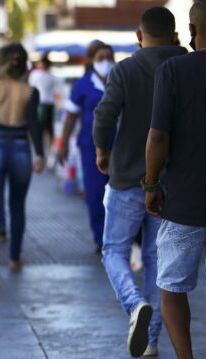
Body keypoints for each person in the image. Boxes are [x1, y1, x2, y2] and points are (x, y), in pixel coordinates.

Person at [144, 0, 206, 359]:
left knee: (171, 285)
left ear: (193, 28)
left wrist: (151, 184)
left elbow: (158, 136)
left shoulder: (175, 71)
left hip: (184, 202)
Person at [93, 6, 186, 359]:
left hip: (127, 177)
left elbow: (105, 114)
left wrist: (103, 150)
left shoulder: (126, 69)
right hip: (171, 180)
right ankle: (151, 339)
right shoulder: (186, 67)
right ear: (176, 35)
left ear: (138, 36)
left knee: (114, 251)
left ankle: (134, 306)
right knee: (154, 257)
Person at [0, 43, 45, 278]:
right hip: (20, 149)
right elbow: (34, 126)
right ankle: (14, 257)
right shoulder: (30, 92)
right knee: (17, 206)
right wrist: (40, 155)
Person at [60, 42, 115, 253]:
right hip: (90, 146)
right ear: (92, 60)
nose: (106, 63)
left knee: (120, 195)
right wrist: (63, 143)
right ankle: (101, 238)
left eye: (109, 57)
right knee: (94, 193)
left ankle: (118, 237)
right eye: (101, 58)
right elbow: (71, 115)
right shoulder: (83, 84)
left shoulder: (120, 80)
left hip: (118, 146)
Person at [28, 53, 61, 153]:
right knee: (48, 130)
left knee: (39, 129)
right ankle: (47, 152)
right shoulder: (51, 76)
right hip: (48, 105)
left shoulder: (35, 75)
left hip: (41, 104)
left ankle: (41, 151)